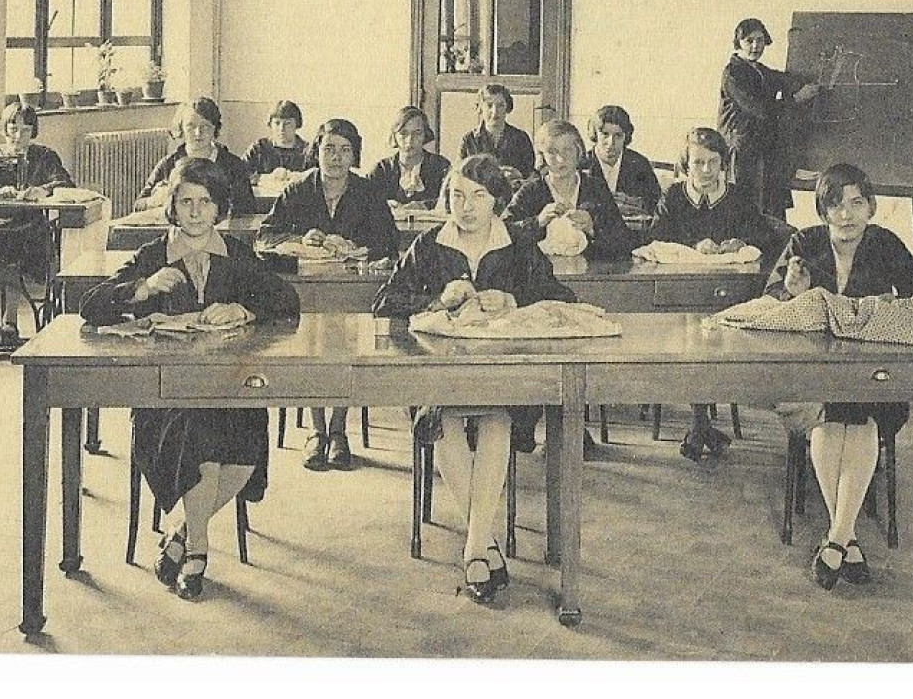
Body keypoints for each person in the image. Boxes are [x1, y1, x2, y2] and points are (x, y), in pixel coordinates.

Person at [79, 158, 300, 600]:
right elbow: (90, 306)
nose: (196, 212)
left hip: (228, 388)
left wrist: (246, 309)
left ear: (219, 209)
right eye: (186, 202)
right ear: (172, 208)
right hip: (166, 396)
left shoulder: (236, 254)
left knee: (246, 448)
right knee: (199, 437)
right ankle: (198, 552)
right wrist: (141, 289)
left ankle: (180, 534)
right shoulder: (152, 255)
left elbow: (287, 300)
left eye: (205, 202)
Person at [371, 155, 576, 604]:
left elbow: (563, 298)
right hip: (438, 377)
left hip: (504, 378)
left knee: (497, 420)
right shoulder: (428, 244)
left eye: (479, 197)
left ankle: (475, 547)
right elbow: (384, 302)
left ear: (498, 203)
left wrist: (514, 299)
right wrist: (436, 298)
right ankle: (481, 548)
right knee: (444, 424)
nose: (465, 207)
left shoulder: (520, 243)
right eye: (457, 196)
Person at [765, 163, 913, 589]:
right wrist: (790, 291)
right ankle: (847, 539)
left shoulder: (885, 243)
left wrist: (888, 306)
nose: (846, 215)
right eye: (835, 204)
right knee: (831, 419)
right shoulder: (803, 243)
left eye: (856, 203)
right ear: (823, 210)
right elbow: (767, 302)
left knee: (856, 416)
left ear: (871, 208)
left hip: (873, 376)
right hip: (814, 376)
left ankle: (837, 538)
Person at [257, 118, 399, 470]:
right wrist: (298, 241)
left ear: (355, 155)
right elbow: (264, 238)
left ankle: (338, 430)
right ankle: (317, 432)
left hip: (353, 294)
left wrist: (357, 247)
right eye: (329, 148)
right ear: (316, 151)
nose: (336, 157)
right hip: (306, 293)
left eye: (345, 150)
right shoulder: (298, 190)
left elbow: (390, 244)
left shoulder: (368, 193)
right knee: (312, 346)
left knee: (343, 345)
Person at [651, 126, 789, 461]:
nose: (706, 170)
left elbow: (765, 236)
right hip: (680, 292)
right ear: (686, 165)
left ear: (723, 164)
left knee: (716, 339)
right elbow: (654, 238)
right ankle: (700, 423)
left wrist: (741, 242)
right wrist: (691, 245)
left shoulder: (737, 196)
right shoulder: (673, 196)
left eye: (713, 162)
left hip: (727, 293)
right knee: (688, 340)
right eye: (698, 163)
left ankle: (701, 424)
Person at [0, 102, 74, 348]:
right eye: (13, 127)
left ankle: (9, 321)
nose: (18, 135)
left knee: (6, 242)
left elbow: (65, 182)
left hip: (31, 224)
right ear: (3, 128)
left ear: (33, 132)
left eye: (26, 130)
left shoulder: (44, 156)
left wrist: (41, 190)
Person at [717, 17, 820, 218]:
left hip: (764, 151)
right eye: (749, 41)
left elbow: (783, 79)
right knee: (747, 208)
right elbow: (761, 109)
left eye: (760, 40)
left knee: (772, 210)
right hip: (743, 152)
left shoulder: (760, 71)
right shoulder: (733, 73)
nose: (756, 46)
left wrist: (806, 82)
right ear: (739, 43)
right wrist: (797, 99)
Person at [506, 119, 640, 260]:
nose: (560, 159)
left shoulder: (596, 188)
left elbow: (625, 242)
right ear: (542, 156)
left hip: (588, 277)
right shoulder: (531, 191)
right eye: (552, 151)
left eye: (567, 150)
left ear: (579, 151)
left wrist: (592, 229)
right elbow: (502, 234)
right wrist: (538, 222)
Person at [137, 97, 258, 216]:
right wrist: (154, 200)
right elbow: (138, 205)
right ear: (181, 128)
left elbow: (247, 210)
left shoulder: (234, 165)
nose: (198, 133)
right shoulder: (168, 164)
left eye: (205, 126)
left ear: (215, 128)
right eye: (191, 126)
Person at [580, 105, 662, 217]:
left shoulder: (639, 164)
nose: (611, 142)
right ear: (595, 134)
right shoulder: (581, 164)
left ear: (626, 137)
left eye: (618, 136)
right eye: (605, 134)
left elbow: (657, 205)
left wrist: (639, 204)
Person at [366, 106, 452, 207]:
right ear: (395, 136)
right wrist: (383, 205)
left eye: (417, 133)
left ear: (425, 134)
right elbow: (363, 201)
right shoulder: (381, 170)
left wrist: (424, 206)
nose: (410, 140)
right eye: (403, 133)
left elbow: (451, 200)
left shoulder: (441, 166)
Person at [458, 84, 536, 183]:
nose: (495, 112)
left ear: (507, 108)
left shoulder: (521, 138)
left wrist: (518, 175)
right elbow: (459, 174)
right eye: (489, 105)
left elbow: (531, 174)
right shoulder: (469, 140)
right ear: (480, 108)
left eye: (500, 105)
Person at [243, 100, 311, 180]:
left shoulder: (308, 151)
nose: (281, 128)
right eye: (277, 123)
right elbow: (240, 173)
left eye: (287, 123)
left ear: (297, 124)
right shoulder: (258, 148)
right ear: (270, 124)